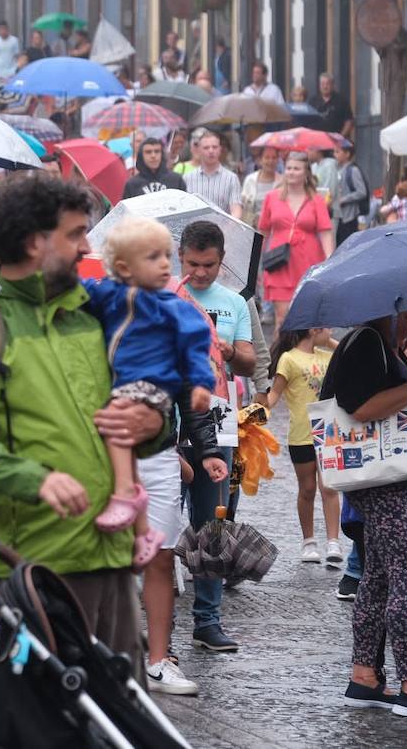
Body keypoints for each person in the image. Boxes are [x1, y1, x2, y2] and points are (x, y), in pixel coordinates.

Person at [0, 173, 172, 725]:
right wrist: (33, 479)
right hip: (29, 571)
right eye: (75, 234)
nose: (87, 247)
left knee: (117, 727)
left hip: (110, 560)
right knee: (35, 730)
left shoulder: (92, 311)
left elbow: (135, 403)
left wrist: (155, 421)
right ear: (33, 242)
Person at [83, 218, 216, 566]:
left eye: (167, 256)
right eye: (153, 257)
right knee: (119, 433)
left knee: (115, 423)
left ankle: (125, 492)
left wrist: (202, 383)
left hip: (153, 387)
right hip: (122, 386)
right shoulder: (111, 297)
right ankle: (145, 530)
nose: (164, 265)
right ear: (124, 268)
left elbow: (196, 345)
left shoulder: (173, 307)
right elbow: (80, 293)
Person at [324, 311, 407, 719]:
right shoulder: (368, 342)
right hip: (381, 481)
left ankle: (364, 677)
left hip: (391, 480)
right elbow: (359, 408)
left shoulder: (380, 345)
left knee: (379, 577)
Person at [178, 220, 256, 652]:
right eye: (193, 263)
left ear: (222, 261)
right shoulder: (167, 295)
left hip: (218, 419)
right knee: (156, 521)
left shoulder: (234, 302)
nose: (201, 272)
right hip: (170, 418)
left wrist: (230, 352)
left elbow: (248, 360)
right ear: (180, 257)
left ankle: (207, 619)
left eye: (209, 265)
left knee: (211, 521)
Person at [265, 327, 341, 565]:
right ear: (313, 329)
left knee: (329, 487)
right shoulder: (289, 359)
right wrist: (257, 410)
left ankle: (333, 541)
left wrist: (328, 341)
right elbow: (275, 394)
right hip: (301, 434)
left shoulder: (328, 356)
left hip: (328, 433)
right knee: (307, 489)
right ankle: (309, 541)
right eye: (327, 327)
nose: (331, 331)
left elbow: (349, 355)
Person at [258, 153, 334, 330]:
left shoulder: (316, 200)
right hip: (279, 263)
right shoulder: (272, 197)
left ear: (306, 173)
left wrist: (330, 261)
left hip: (308, 263)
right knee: (282, 319)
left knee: (308, 321)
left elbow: (325, 232)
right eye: (289, 168)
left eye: (296, 169)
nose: (291, 172)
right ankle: (281, 350)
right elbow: (263, 231)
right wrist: (255, 264)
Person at [183, 131, 242, 218]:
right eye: (206, 148)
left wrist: (230, 226)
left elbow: (236, 211)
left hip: (223, 226)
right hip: (194, 226)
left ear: (220, 149)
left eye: (214, 147)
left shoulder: (231, 179)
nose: (211, 151)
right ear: (199, 150)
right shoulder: (187, 178)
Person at [333, 140, 368, 245]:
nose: (334, 155)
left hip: (349, 216)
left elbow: (362, 192)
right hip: (339, 215)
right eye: (334, 152)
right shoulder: (338, 169)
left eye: (337, 152)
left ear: (347, 154)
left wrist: (344, 199)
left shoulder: (353, 170)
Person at [240, 146, 280, 227]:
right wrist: (254, 220)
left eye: (274, 158)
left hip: (275, 228)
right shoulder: (250, 180)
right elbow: (243, 208)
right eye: (267, 157)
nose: (270, 161)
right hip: (252, 227)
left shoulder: (283, 182)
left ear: (278, 160)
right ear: (260, 160)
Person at [315, 72, 354, 138]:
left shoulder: (342, 101)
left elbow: (349, 121)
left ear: (333, 85)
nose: (325, 87)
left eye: (327, 84)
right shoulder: (312, 101)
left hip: (336, 140)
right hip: (318, 140)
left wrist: (340, 137)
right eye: (322, 84)